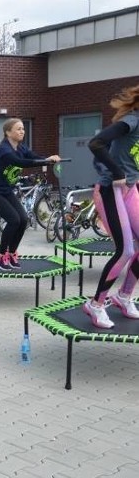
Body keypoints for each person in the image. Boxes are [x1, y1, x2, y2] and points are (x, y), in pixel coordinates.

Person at [83, 84, 139, 329]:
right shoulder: (132, 121)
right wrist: (115, 172)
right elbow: (96, 143)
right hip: (110, 190)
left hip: (129, 190)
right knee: (125, 250)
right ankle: (96, 304)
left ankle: (124, 296)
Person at [0, 118, 60, 271]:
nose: (22, 131)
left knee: (23, 220)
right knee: (13, 220)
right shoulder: (4, 150)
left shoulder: (21, 147)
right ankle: (0, 254)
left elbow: (32, 156)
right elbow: (21, 163)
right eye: (18, 129)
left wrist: (48, 159)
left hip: (6, 191)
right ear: (8, 132)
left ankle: (11, 253)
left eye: (23, 128)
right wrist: (45, 161)